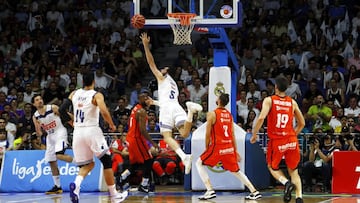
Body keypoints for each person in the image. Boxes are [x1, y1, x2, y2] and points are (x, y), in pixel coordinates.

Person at [140, 32, 203, 174]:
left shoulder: (161, 78)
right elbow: (166, 100)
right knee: (185, 134)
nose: (159, 70)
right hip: (176, 107)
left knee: (167, 137)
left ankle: (183, 156)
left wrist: (145, 46)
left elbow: (151, 63)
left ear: (166, 71)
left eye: (162, 69)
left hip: (167, 110)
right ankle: (191, 111)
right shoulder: (172, 83)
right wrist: (154, 102)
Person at [63, 72, 128, 203]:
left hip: (78, 133)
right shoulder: (96, 95)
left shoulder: (74, 94)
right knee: (107, 161)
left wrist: (72, 123)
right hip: (92, 130)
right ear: (94, 82)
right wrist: (112, 124)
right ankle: (114, 195)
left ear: (82, 82)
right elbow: (104, 111)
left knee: (88, 164)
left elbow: (62, 110)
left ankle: (76, 185)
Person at [195, 93, 262, 200]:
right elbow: (232, 134)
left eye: (217, 97)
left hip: (218, 146)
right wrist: (235, 151)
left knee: (199, 163)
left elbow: (207, 134)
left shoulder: (212, 114)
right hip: (229, 147)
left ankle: (210, 190)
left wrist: (207, 148)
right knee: (236, 171)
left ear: (219, 101)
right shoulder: (229, 115)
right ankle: (254, 191)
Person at [250, 76, 305, 203]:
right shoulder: (292, 102)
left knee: (271, 167)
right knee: (294, 170)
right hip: (291, 139)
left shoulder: (269, 100)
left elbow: (261, 118)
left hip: (277, 140)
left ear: (275, 87)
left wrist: (254, 135)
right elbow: (302, 123)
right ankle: (299, 198)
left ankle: (286, 183)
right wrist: (293, 135)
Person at [32, 94, 74, 194]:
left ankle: (80, 163)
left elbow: (66, 115)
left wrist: (75, 122)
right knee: (51, 161)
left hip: (59, 132)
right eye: (37, 100)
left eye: (40, 99)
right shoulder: (35, 116)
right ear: (34, 104)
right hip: (50, 137)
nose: (40, 101)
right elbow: (39, 132)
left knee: (59, 154)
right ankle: (57, 186)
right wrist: (37, 134)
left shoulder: (52, 108)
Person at [121, 91, 158, 193]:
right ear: (139, 99)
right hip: (136, 138)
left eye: (147, 98)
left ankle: (122, 177)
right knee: (149, 159)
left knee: (138, 162)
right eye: (144, 98)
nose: (146, 99)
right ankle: (144, 184)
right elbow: (142, 130)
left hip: (132, 137)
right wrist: (152, 142)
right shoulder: (141, 111)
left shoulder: (136, 108)